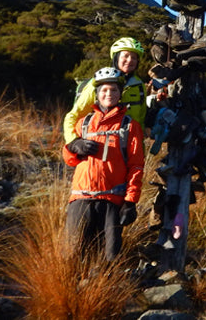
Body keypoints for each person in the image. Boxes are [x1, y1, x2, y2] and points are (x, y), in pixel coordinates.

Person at [63, 67, 145, 261]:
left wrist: (130, 202)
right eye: (104, 90)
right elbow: (69, 160)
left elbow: (136, 166)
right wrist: (74, 146)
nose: (109, 94)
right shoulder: (83, 123)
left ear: (120, 93)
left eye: (114, 90)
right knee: (72, 255)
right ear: (97, 94)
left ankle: (104, 291)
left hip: (112, 201)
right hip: (81, 198)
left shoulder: (130, 126)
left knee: (109, 258)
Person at [63, 37, 147, 144]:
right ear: (116, 58)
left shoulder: (139, 86)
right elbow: (73, 116)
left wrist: (139, 151)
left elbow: (141, 121)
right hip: (98, 146)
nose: (130, 60)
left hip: (128, 150)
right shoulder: (98, 82)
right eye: (125, 56)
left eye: (134, 57)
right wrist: (73, 142)